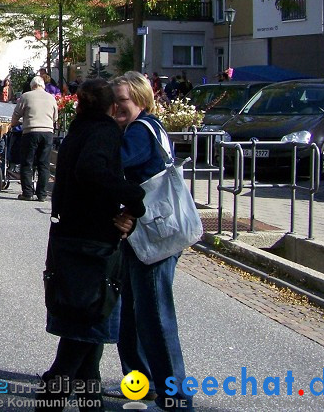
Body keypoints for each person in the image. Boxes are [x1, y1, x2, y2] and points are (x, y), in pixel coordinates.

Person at [38, 78, 146, 410]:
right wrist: (134, 198)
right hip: (92, 244)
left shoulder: (79, 130)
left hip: (72, 238)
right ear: (112, 106)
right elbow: (92, 170)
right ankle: (55, 397)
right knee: (85, 332)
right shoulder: (103, 131)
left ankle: (91, 401)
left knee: (88, 339)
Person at [111, 71, 193, 410]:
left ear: (141, 101)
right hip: (149, 232)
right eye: (112, 100)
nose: (116, 106)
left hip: (152, 235)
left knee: (155, 317)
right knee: (130, 313)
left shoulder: (139, 133)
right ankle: (140, 382)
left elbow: (112, 165)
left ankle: (175, 395)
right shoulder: (149, 127)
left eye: (123, 101)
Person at [10, 76, 59, 202]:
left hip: (31, 131)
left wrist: (14, 123)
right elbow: (55, 117)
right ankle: (42, 194)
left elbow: (16, 114)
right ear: (43, 86)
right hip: (47, 132)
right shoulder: (51, 97)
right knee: (44, 164)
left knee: (27, 162)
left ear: (32, 86)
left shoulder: (26, 96)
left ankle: (27, 192)